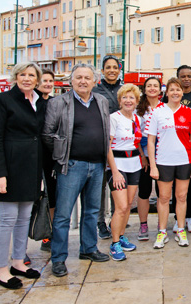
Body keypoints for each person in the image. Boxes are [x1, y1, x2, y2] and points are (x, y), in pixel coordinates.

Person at [43, 64, 111, 277]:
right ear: (71, 81)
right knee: (63, 215)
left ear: (94, 81)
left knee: (91, 211)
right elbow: (48, 134)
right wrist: (64, 150)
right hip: (71, 166)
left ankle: (89, 249)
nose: (83, 81)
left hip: (98, 165)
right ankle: (58, 258)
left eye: (87, 78)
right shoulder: (59, 102)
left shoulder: (101, 101)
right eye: (79, 77)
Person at [0, 62, 45, 289]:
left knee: (23, 219)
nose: (27, 78)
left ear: (37, 79)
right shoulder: (3, 101)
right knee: (7, 219)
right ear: (16, 77)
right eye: (23, 74)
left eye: (31, 75)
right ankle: (1, 269)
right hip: (9, 169)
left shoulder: (38, 101)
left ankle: (18, 262)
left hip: (30, 169)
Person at [147, 77, 191, 248]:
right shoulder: (157, 112)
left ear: (182, 92)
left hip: (184, 160)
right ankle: (162, 232)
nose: (176, 92)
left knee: (181, 197)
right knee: (163, 197)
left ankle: (181, 229)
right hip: (163, 161)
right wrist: (153, 165)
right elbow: (150, 140)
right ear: (166, 93)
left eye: (178, 89)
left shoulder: (189, 112)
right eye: (172, 89)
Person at [106, 84, 145, 261]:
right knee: (120, 207)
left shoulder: (137, 119)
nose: (128, 101)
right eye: (125, 97)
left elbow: (136, 142)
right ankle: (114, 243)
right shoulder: (113, 118)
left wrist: (143, 157)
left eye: (132, 98)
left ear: (137, 101)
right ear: (119, 100)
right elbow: (107, 146)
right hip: (118, 166)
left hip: (134, 165)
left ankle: (121, 236)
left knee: (129, 204)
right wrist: (115, 171)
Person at [170, 65, 191, 233]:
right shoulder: (169, 96)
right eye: (182, 76)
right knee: (176, 187)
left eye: (189, 76)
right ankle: (178, 218)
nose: (186, 79)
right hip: (174, 145)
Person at [93, 55, 123, 240]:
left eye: (115, 67)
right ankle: (99, 222)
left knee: (116, 183)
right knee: (99, 187)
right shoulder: (95, 90)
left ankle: (116, 218)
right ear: (102, 70)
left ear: (119, 70)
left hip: (119, 144)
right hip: (98, 142)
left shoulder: (124, 89)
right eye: (108, 67)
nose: (112, 70)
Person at [135, 77, 163, 241]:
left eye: (155, 86)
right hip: (143, 154)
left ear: (160, 90)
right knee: (144, 191)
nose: (152, 88)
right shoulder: (138, 109)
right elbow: (135, 135)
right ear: (144, 89)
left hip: (162, 154)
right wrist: (142, 156)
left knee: (162, 193)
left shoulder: (165, 108)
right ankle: (143, 224)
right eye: (149, 86)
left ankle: (162, 224)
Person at [37, 68, 56, 253]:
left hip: (51, 156)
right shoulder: (31, 102)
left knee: (52, 197)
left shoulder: (54, 102)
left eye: (50, 81)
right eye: (44, 80)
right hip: (34, 155)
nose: (48, 84)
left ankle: (49, 234)